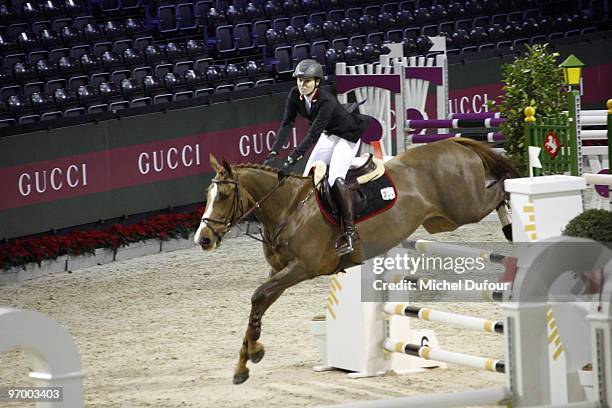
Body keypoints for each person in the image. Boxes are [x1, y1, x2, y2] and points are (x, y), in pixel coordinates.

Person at [263, 59, 372, 256]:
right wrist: (274, 152)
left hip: (347, 136)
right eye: (299, 80)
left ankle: (349, 232)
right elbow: (286, 124)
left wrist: (293, 157)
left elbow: (312, 134)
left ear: (317, 83)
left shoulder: (326, 100)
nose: (301, 85)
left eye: (306, 81)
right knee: (308, 177)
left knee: (333, 179)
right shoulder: (294, 95)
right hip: (329, 135)